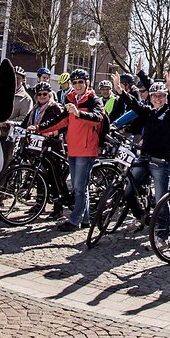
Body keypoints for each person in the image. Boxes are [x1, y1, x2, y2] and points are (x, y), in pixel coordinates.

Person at [112, 72, 170, 236]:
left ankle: (162, 235)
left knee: (161, 200)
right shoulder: (149, 111)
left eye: (161, 96)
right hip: (144, 158)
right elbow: (135, 105)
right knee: (129, 191)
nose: (157, 99)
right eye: (154, 96)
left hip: (162, 162)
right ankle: (141, 217)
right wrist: (120, 91)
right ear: (150, 98)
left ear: (165, 97)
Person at [37, 70, 105, 231]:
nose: (77, 85)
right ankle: (86, 219)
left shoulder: (94, 100)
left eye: (80, 82)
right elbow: (60, 121)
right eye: (74, 83)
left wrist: (78, 113)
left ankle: (74, 221)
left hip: (87, 149)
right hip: (73, 148)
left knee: (79, 187)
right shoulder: (70, 99)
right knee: (79, 187)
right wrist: (39, 128)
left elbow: (97, 117)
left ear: (87, 83)